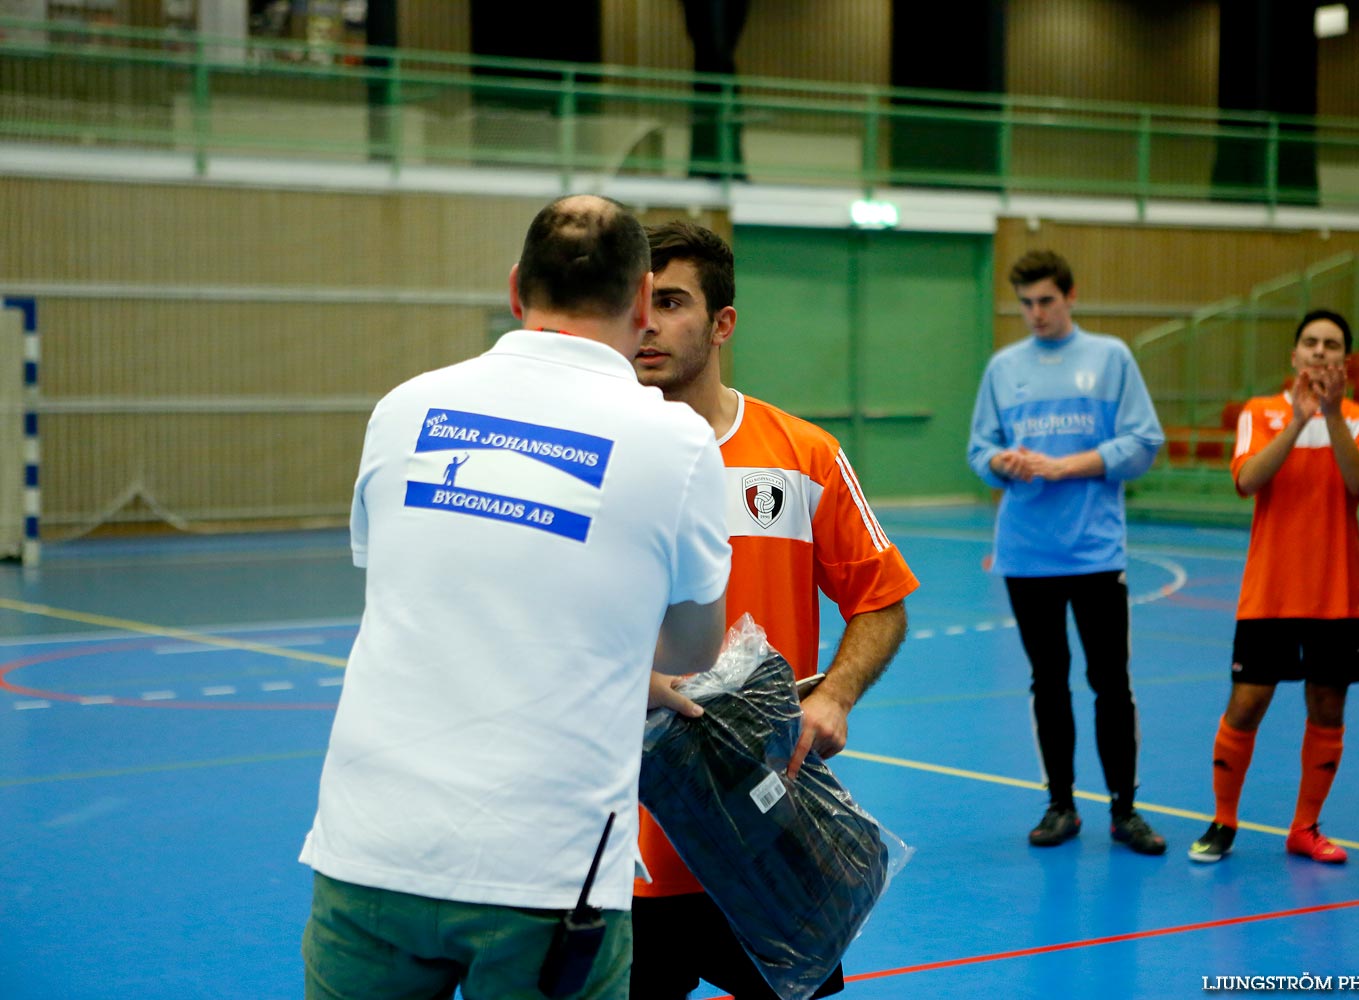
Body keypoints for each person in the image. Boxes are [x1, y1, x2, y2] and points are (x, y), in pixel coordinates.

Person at [299, 195, 733, 1000]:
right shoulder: (676, 442)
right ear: (642, 303)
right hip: (546, 871)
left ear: (514, 290)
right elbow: (693, 651)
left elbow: (404, 577)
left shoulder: (404, 407)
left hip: (369, 849)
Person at [629, 220, 918, 1000]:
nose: (647, 322)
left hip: (769, 839)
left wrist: (835, 696)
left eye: (673, 302)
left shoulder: (802, 456)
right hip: (621, 844)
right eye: (637, 302)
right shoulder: (594, 457)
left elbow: (882, 600)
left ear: (723, 323)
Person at [966, 249, 1168, 856]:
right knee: (1047, 682)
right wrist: (1002, 462)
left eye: (1046, 302)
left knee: (1111, 683)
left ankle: (1125, 811)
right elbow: (979, 450)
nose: (1036, 314)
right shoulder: (1004, 368)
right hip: (1027, 556)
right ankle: (1061, 805)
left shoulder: (1111, 359)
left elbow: (1144, 442)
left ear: (1070, 296)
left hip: (1095, 554)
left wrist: (1067, 465)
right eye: (1025, 304)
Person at [1188, 310, 1359, 865]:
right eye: (1311, 343)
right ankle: (1223, 821)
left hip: (1337, 594)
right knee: (1246, 706)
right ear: (1294, 356)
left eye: (1332, 345)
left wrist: (1333, 414)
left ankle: (1305, 827)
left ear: (1346, 360)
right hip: (1270, 592)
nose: (1321, 352)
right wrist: (1297, 422)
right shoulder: (1260, 412)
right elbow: (1247, 480)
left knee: (1327, 706)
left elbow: (1358, 484)